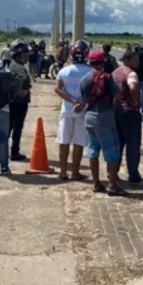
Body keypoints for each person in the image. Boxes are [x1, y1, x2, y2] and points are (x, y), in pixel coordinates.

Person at [81, 50, 125, 196]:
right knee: (112, 153)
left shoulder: (84, 79)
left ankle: (96, 184)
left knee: (93, 151)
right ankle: (112, 185)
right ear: (102, 63)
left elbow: (85, 100)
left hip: (89, 118)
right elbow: (118, 95)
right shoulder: (107, 78)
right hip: (105, 117)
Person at [53, 40, 92, 181]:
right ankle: (75, 172)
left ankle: (63, 172)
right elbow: (94, 92)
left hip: (66, 111)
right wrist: (82, 103)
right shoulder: (91, 72)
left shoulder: (64, 71)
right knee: (78, 143)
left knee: (64, 141)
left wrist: (72, 101)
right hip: (82, 112)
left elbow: (57, 89)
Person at [112, 50, 143, 184]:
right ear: (128, 60)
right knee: (133, 144)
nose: (138, 63)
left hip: (116, 110)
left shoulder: (115, 72)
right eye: (135, 60)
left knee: (118, 143)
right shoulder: (131, 73)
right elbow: (133, 87)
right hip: (130, 111)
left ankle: (113, 172)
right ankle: (133, 175)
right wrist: (136, 99)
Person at [8, 40, 32, 160]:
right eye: (24, 55)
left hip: (11, 101)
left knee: (9, 127)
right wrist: (25, 90)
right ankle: (14, 152)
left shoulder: (12, 65)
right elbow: (25, 79)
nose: (26, 58)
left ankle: (4, 150)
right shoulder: (19, 68)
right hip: (19, 103)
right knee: (17, 128)